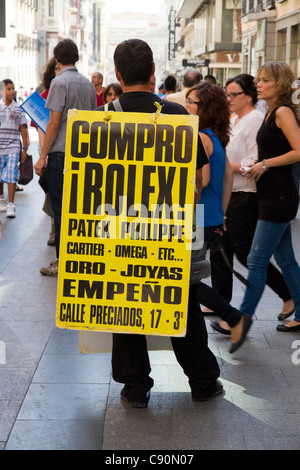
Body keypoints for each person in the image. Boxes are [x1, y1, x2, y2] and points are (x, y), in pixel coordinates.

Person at [97, 38, 222, 408]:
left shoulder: (101, 117)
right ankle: (202, 381)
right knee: (180, 299)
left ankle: (135, 387)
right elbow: (198, 179)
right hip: (169, 228)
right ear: (153, 74)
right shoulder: (178, 115)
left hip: (118, 227)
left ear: (118, 75)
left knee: (125, 300)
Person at [208, 74, 294, 336]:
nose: (229, 99)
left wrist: (223, 167)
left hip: (248, 195)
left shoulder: (257, 119)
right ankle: (222, 306)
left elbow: (254, 161)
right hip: (233, 194)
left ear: (249, 96)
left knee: (250, 256)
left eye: (234, 94)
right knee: (222, 250)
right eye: (227, 93)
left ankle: (276, 301)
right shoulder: (236, 119)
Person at [185, 82, 252, 351]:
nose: (186, 106)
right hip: (211, 216)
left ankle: (235, 319)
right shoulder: (215, 137)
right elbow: (226, 180)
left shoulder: (200, 138)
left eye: (191, 102)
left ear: (206, 108)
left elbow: (203, 179)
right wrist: (221, 215)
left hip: (199, 216)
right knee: (187, 278)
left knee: (184, 278)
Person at [239, 62, 300, 332]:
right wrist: (257, 163)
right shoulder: (270, 112)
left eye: (264, 80)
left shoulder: (283, 111)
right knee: (286, 260)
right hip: (272, 194)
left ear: (280, 84)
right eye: (258, 80)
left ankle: (240, 321)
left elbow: (299, 151)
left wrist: (264, 165)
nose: (258, 84)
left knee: (256, 259)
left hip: (279, 196)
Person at [34, 39, 97, 276]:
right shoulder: (88, 85)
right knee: (79, 208)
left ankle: (63, 261)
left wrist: (42, 156)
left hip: (61, 154)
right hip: (84, 154)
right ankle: (79, 258)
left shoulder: (59, 83)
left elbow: (53, 123)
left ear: (56, 58)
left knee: (60, 209)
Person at [31, 57, 59, 246]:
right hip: (50, 150)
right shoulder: (44, 97)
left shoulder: (66, 91)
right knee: (50, 188)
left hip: (66, 148)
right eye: (56, 68)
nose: (59, 71)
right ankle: (53, 227)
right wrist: (45, 153)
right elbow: (41, 128)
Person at [0, 79, 30, 218]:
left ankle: (11, 204)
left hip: (13, 146)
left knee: (11, 174)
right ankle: (1, 199)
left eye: (13, 88)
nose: (12, 91)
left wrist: (24, 148)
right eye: (8, 89)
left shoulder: (18, 109)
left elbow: (23, 129)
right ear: (2, 91)